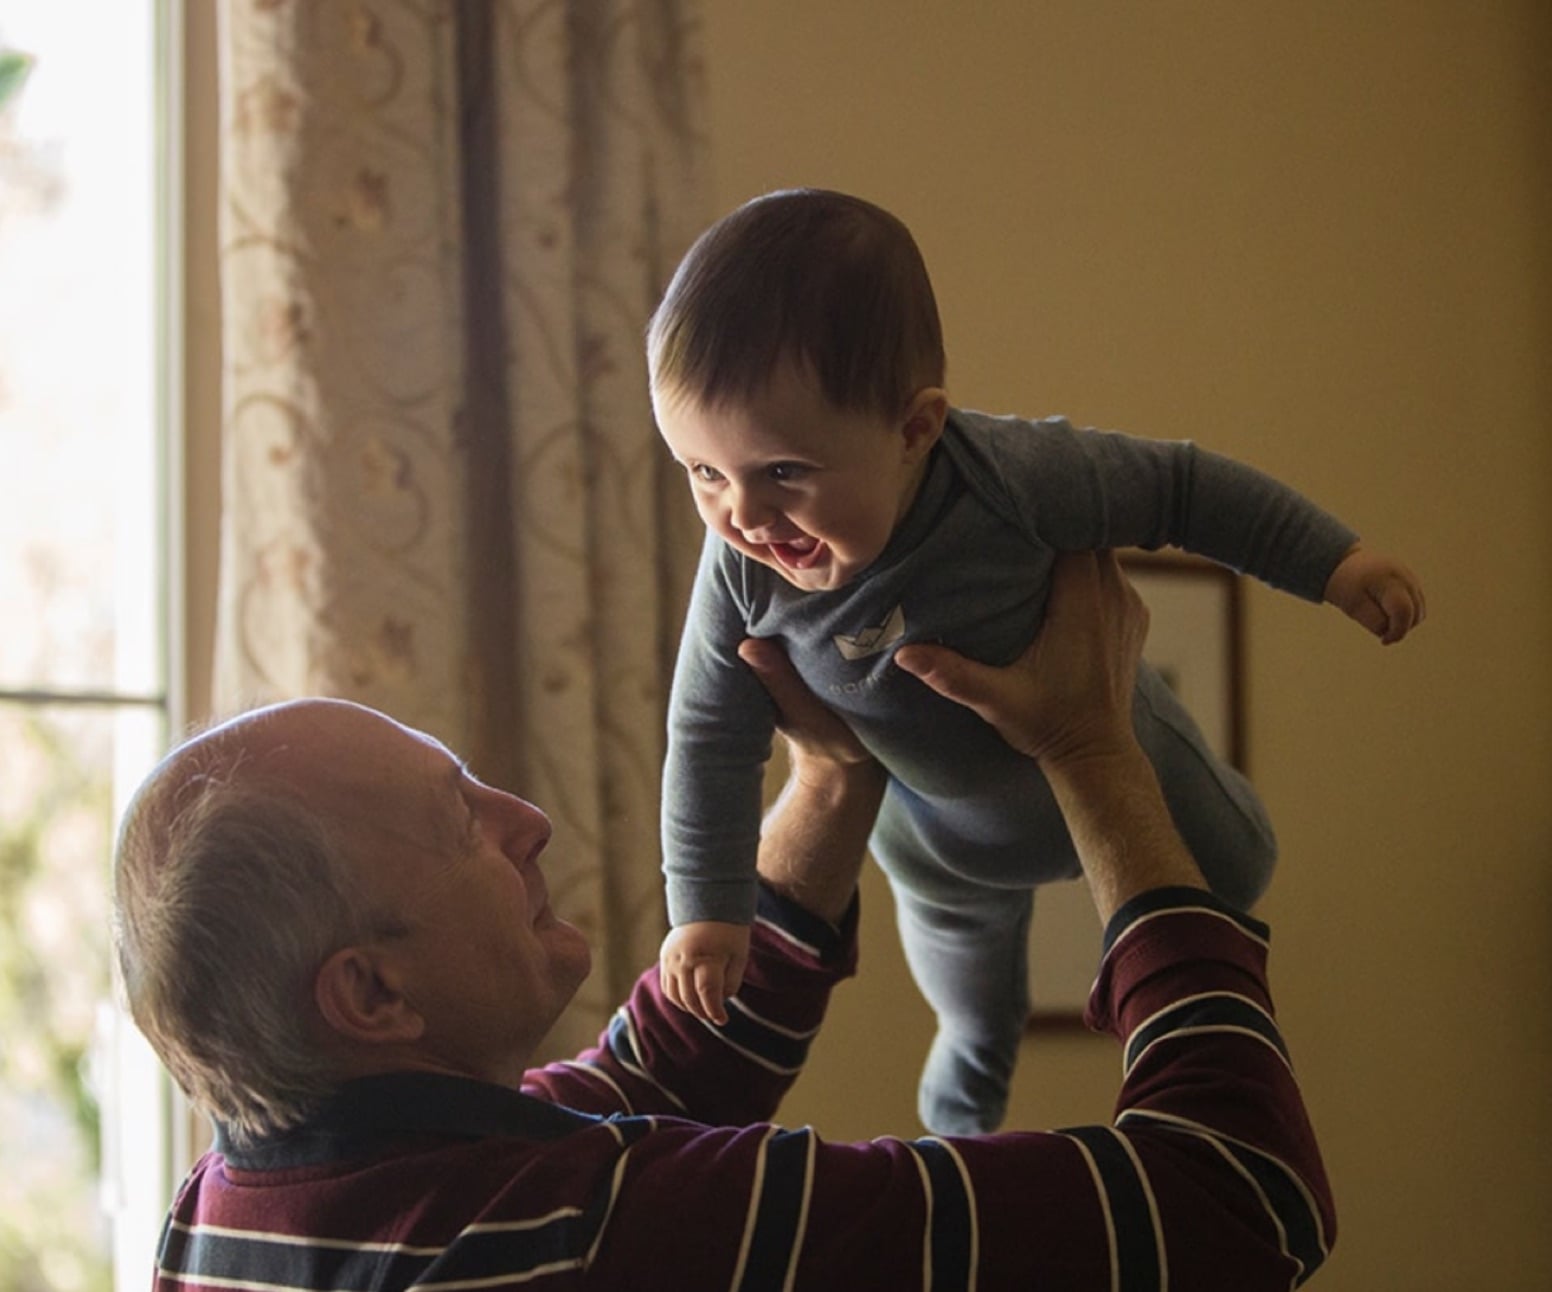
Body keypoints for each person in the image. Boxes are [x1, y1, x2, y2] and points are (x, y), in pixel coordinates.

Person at [115, 551, 1336, 1290]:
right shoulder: (593, 1231)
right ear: (372, 995)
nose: (525, 817)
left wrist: (828, 781)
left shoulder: (232, 1203)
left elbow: (663, 1071)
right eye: (459, 822)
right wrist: (1091, 747)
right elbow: (1233, 1203)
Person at [649, 186, 1426, 1134]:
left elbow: (1182, 488)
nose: (744, 516)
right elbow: (708, 737)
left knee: (1240, 868)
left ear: (914, 430)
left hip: (1118, 748)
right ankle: (961, 1131)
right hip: (941, 845)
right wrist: (708, 910)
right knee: (975, 1014)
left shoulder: (1012, 478)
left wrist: (1335, 563)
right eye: (702, 472)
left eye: (783, 472)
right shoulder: (739, 571)